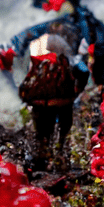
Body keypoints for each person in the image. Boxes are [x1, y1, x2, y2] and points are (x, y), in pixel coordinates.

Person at [17, 32, 77, 166]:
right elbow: (80, 71)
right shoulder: (63, 47)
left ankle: (44, 160)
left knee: (42, 136)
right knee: (62, 134)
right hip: (63, 101)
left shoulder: (34, 47)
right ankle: (60, 157)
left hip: (39, 103)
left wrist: (25, 98)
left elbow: (26, 78)